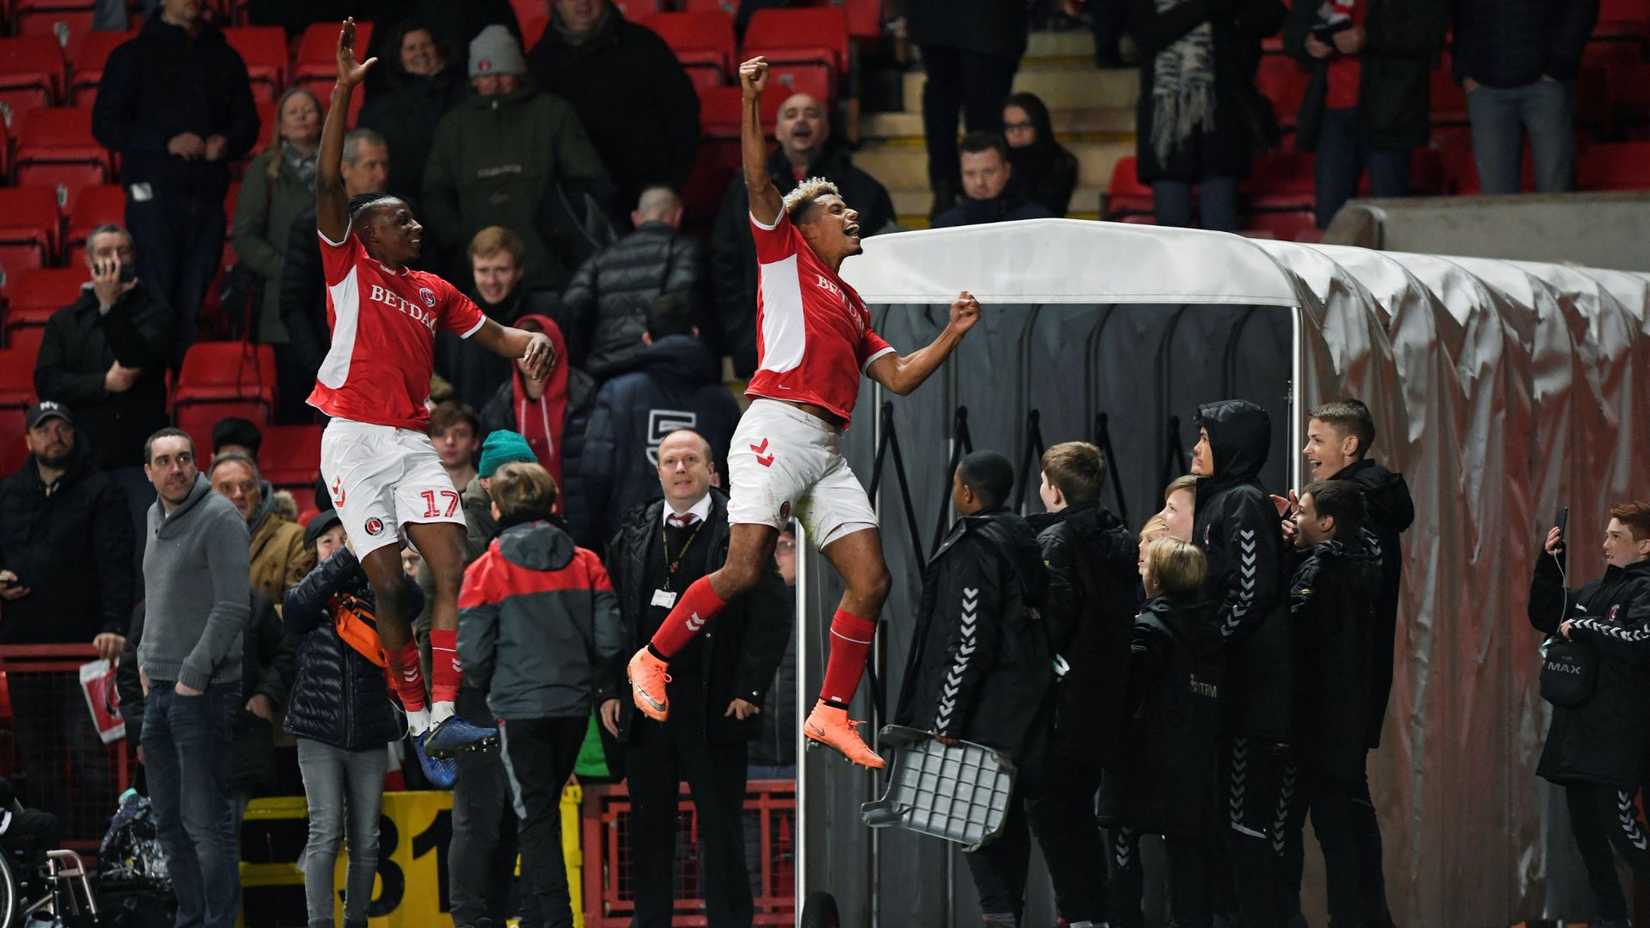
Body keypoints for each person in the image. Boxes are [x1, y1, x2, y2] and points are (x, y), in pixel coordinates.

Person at [625, 56, 984, 768]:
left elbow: (902, 378)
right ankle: (652, 657)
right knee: (747, 567)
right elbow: (759, 182)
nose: (850, 214)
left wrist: (952, 332)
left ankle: (830, 711)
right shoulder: (782, 255)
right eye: (836, 210)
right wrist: (752, 101)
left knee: (873, 579)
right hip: (773, 428)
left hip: (822, 445)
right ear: (802, 225)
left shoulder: (853, 305)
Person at [309, 19, 555, 770]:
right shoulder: (346, 267)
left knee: (449, 566)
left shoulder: (433, 289)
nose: (415, 225)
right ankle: (413, 715)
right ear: (366, 232)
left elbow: (497, 336)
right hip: (352, 435)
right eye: (400, 219)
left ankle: (441, 716)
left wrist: (532, 344)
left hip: (411, 442)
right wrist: (344, 95)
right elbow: (325, 182)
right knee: (390, 585)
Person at [599, 429, 790, 928]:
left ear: (713, 472)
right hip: (647, 704)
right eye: (670, 461)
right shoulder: (636, 528)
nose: (680, 469)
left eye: (690, 460)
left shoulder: (740, 528)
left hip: (716, 701)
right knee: (649, 831)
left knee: (722, 831)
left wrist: (750, 689)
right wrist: (611, 690)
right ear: (658, 471)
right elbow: (616, 615)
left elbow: (771, 614)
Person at [457, 462, 622, 928]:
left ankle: (553, 918)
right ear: (552, 503)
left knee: (534, 817)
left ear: (495, 507)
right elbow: (610, 642)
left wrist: (493, 687)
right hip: (572, 707)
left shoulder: (486, 569)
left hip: (517, 708)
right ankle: (541, 917)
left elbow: (471, 655)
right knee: (542, 810)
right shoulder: (586, 562)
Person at [893, 451, 1051, 928]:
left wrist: (946, 721)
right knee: (1007, 818)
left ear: (966, 492)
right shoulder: (1022, 536)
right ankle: (1009, 914)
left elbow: (968, 640)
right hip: (1019, 706)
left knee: (971, 818)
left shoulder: (975, 546)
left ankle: (999, 917)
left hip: (981, 714)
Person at [1286, 398, 1413, 921]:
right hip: (1352, 683)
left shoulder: (1358, 513)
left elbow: (1348, 590)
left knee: (1339, 814)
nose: (1308, 449)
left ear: (1350, 444)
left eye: (1317, 439)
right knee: (1345, 809)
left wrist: (1303, 547)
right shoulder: (1371, 504)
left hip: (1337, 688)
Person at [91, 0, 259, 362]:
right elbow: (105, 125)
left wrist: (225, 142)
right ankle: (157, 397)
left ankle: (182, 392)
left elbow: (248, 123)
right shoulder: (131, 55)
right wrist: (164, 143)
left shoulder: (224, 56)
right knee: (158, 301)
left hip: (206, 199)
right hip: (152, 197)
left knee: (192, 304)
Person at [0, 402, 133, 840]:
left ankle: (103, 855)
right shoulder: (8, 493)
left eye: (63, 428)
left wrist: (114, 624)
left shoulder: (102, 490)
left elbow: (116, 565)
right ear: (28, 440)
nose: (54, 435)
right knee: (38, 759)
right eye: (44, 428)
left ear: (74, 436)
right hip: (25, 650)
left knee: (91, 754)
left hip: (86, 651)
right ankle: (46, 860)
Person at [136, 427, 251, 928]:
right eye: (164, 461)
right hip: (158, 690)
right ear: (148, 471)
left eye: (184, 458)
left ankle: (217, 922)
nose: (176, 468)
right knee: (168, 824)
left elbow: (232, 608)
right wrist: (144, 659)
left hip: (201, 692)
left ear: (196, 463)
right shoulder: (152, 515)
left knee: (206, 825)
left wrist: (192, 675)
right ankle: (191, 918)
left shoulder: (220, 517)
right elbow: (156, 599)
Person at [284, 510, 417, 928]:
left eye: (346, 538)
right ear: (313, 551)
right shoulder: (304, 594)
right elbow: (295, 611)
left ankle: (355, 921)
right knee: (324, 833)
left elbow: (413, 601)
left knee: (367, 839)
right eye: (328, 541)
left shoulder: (380, 589)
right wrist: (349, 555)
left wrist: (379, 560)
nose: (338, 546)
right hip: (318, 732)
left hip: (371, 730)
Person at [1023, 442, 1137, 928]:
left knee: (1053, 813)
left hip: (1065, 702)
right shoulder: (1121, 537)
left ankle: (1081, 915)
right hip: (1112, 696)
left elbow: (1054, 620)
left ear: (1053, 490)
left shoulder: (1056, 542)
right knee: (1082, 814)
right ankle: (1098, 914)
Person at [1188, 399, 1290, 927]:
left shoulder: (1243, 502)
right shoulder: (1217, 500)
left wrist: (1208, 649)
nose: (1195, 448)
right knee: (1221, 821)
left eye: (1204, 438)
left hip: (1250, 691)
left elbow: (1252, 592)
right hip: (1225, 686)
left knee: (1244, 822)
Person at [711, 91, 897, 378]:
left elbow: (879, 263)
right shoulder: (744, 191)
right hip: (765, 342)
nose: (801, 121)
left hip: (837, 342)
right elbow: (726, 266)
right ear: (778, 131)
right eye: (791, 114)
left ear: (826, 127)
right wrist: (743, 340)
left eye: (811, 114)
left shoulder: (865, 191)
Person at [1528, 501, 1650, 928]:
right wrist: (1550, 562)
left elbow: (1640, 639)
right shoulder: (1596, 591)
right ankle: (1611, 919)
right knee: (1587, 839)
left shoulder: (1645, 589)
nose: (1605, 544)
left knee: (1627, 839)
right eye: (1605, 534)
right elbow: (1545, 614)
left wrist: (1585, 628)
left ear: (1645, 545)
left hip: (1617, 739)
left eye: (1616, 536)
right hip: (1576, 736)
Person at [422, 25, 612, 291]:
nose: (495, 83)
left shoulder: (552, 114)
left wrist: (560, 237)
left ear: (519, 74)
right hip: (478, 273)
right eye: (486, 74)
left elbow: (587, 180)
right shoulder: (454, 125)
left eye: (503, 73)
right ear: (474, 79)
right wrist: (459, 237)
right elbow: (435, 192)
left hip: (548, 271)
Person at [1097, 537, 1223, 928]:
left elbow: (1122, 696)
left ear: (1157, 577)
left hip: (1139, 763)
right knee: (1189, 865)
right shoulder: (1214, 633)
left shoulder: (1147, 630)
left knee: (1123, 858)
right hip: (1197, 764)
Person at [1277, 479, 1381, 927]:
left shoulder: (1318, 574)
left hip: (1310, 724)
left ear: (1327, 522)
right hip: (1345, 723)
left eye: (1301, 511)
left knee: (1286, 834)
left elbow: (1295, 642)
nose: (1294, 519)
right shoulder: (1364, 565)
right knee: (1341, 836)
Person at [445, 431, 539, 928]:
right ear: (486, 478)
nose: (517, 482)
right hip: (476, 691)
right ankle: (471, 918)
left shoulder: (528, 522)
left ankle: (495, 913)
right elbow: (437, 612)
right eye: (508, 473)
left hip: (518, 688)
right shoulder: (458, 526)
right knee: (479, 814)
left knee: (508, 814)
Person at [34, 224, 173, 531]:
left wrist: (110, 308)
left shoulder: (155, 312)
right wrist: (102, 384)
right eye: (105, 253)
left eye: (122, 252)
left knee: (141, 553)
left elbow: (136, 360)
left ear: (133, 257)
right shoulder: (64, 321)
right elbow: (47, 382)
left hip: (139, 461)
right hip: (82, 461)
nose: (115, 260)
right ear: (88, 260)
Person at [582, 294, 742, 542]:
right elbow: (737, 477)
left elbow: (596, 470)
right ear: (696, 333)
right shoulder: (722, 401)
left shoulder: (616, 392)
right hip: (704, 539)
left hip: (630, 537)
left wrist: (597, 535)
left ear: (647, 338)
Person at [1285, 0, 1447, 228]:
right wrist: (1306, 42)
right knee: (1331, 222)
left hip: (1390, 110)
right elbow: (1292, 31)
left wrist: (1369, 37)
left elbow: (1430, 30)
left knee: (1390, 220)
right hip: (1331, 113)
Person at [1128, 0, 1285, 230]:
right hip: (1167, 122)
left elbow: (1271, 18)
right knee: (1172, 228)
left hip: (1221, 118)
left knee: (1220, 227)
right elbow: (1145, 37)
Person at [527, 0, 701, 205]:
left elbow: (684, 117)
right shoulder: (539, 64)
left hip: (645, 202)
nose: (582, 2)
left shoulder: (645, 46)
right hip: (570, 208)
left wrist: (666, 187)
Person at [280, 128, 391, 406]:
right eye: (371, 165)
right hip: (337, 373)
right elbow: (293, 305)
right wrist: (323, 369)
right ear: (345, 169)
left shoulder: (403, 220)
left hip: (393, 368)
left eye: (384, 165)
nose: (381, 174)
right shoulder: (310, 226)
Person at [233, 87, 325, 421]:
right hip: (286, 303)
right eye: (293, 112)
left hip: (335, 299)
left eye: (309, 109)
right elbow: (244, 236)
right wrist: (289, 270)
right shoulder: (264, 170)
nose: (301, 116)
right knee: (298, 401)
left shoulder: (341, 164)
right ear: (281, 127)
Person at [1454, 0, 1599, 195]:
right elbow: (1455, 12)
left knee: (1555, 195)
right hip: (1486, 86)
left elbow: (1581, 7)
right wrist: (1466, 72)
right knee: (1496, 202)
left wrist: (1559, 65)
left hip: (1546, 84)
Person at [479, 315, 599, 547]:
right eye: (524, 349)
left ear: (556, 349)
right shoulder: (499, 405)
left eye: (540, 350)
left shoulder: (586, 394)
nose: (531, 357)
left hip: (582, 520)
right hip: (519, 524)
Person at [562, 186, 707, 378]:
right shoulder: (684, 250)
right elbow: (678, 304)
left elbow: (571, 306)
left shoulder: (601, 257)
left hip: (604, 370)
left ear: (636, 218)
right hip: (657, 367)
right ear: (677, 216)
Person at [905, 0, 1028, 219]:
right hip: (986, 19)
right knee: (982, 102)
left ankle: (948, 188)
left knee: (945, 99)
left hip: (938, 17)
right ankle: (980, 191)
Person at [437, 226, 564, 412]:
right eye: (483, 270)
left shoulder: (550, 311)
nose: (491, 281)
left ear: (519, 270)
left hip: (536, 424)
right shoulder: (454, 320)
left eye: (501, 270)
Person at [357, 20, 471, 203]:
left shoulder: (464, 94)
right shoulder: (381, 107)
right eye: (411, 48)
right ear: (399, 56)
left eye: (426, 45)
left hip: (459, 193)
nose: (420, 52)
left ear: (438, 49)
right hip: (405, 198)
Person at [209, 451, 315, 604]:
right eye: (226, 488)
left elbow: (299, 610)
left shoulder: (292, 538)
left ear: (259, 493)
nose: (238, 494)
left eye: (247, 486)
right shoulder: (194, 542)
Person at [933, 131, 1054, 228]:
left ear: (1007, 171)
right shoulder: (945, 227)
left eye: (988, 172)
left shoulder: (1037, 222)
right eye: (970, 174)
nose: (979, 182)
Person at [1002, 92, 1081, 217]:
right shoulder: (998, 160)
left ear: (1039, 124)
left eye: (1023, 125)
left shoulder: (1062, 163)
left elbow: (1050, 208)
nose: (1016, 133)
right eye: (1009, 127)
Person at [428, 402, 482, 491]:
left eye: (461, 434)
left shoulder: (490, 492)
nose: (450, 441)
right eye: (440, 434)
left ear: (475, 442)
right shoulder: (414, 492)